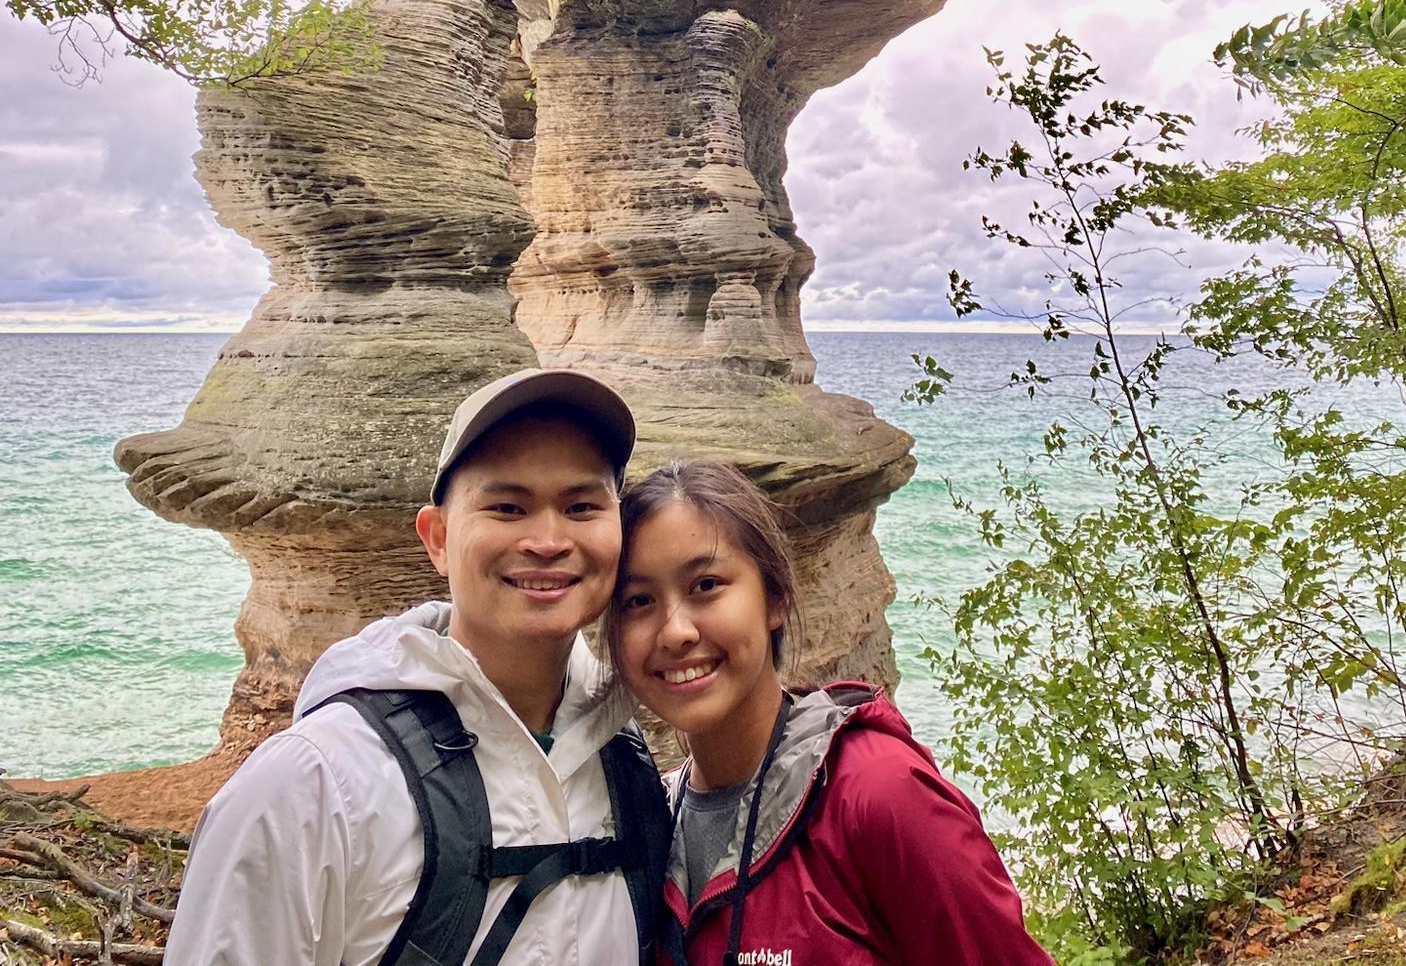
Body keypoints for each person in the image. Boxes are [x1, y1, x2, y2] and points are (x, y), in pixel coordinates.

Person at [166, 369, 667, 966]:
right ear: (437, 539)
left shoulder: (624, 754)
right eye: (507, 507)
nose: (548, 539)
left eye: (582, 506)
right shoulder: (312, 783)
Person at [611, 458, 1055, 966]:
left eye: (706, 585)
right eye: (638, 600)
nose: (675, 631)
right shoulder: (653, 822)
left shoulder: (877, 793)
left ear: (775, 597)